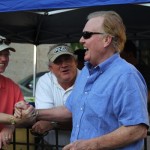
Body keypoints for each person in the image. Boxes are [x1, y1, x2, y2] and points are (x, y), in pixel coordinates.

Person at [15, 11, 149, 150]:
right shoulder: (86, 72)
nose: (81, 40)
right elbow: (70, 110)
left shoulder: (126, 75)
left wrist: (91, 145)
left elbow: (137, 129)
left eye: (87, 35)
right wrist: (34, 112)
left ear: (106, 40)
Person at [32, 44, 80, 149]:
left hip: (81, 146)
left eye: (67, 59)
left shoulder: (87, 79)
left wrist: (52, 124)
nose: (64, 65)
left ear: (75, 62)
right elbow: (44, 117)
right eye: (58, 61)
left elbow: (86, 119)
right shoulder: (45, 81)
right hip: (49, 145)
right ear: (50, 68)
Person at [121, 40, 150, 114]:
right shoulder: (123, 71)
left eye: (121, 55)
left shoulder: (144, 71)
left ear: (130, 54)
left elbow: (148, 95)